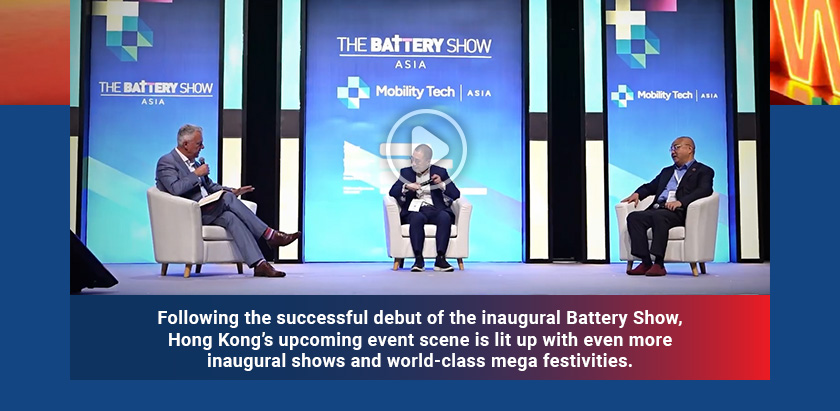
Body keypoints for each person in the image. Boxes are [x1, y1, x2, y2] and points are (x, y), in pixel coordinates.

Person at [155, 124, 300, 278]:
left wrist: (233, 191)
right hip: (188, 214)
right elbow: (175, 189)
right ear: (185, 144)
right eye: (199, 144)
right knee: (227, 198)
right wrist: (196, 174)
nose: (202, 147)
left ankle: (260, 265)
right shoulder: (167, 162)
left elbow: (210, 186)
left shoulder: (194, 163)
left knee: (231, 217)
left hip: (207, 210)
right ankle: (270, 235)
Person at [620, 136, 714, 276]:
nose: (673, 152)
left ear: (689, 149)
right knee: (634, 217)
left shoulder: (703, 171)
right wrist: (638, 193)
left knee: (659, 217)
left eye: (676, 147)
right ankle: (646, 262)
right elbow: (651, 186)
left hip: (679, 211)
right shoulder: (667, 171)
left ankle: (659, 264)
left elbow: (704, 190)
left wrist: (681, 202)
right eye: (671, 149)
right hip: (658, 208)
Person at [389, 144, 461, 272]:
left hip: (435, 209)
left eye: (417, 161)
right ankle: (418, 260)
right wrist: (406, 186)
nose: (414, 163)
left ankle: (440, 259)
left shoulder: (440, 172)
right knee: (416, 218)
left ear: (428, 161)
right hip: (415, 210)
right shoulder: (406, 172)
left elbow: (456, 194)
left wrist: (441, 184)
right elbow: (393, 191)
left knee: (444, 217)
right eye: (412, 159)